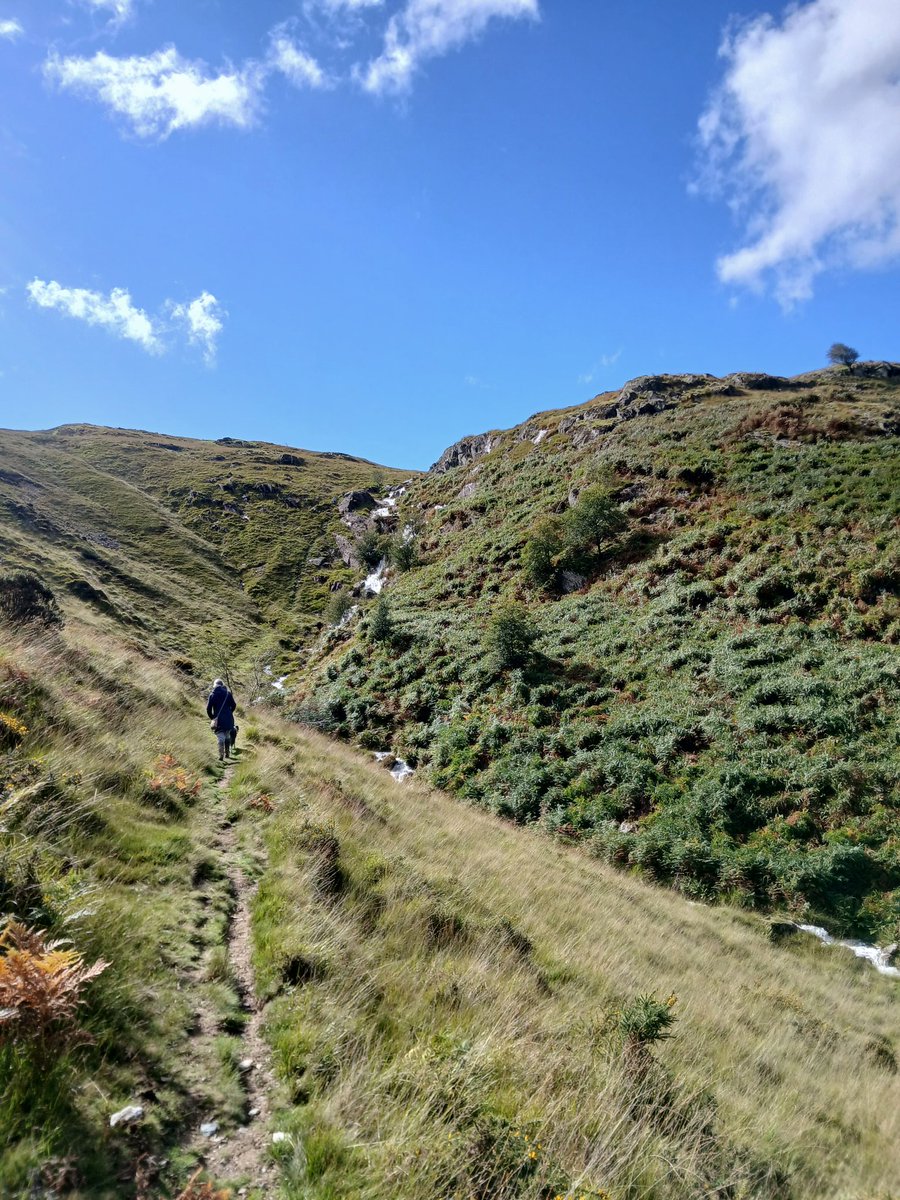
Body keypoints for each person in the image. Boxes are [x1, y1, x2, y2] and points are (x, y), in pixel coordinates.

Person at [207, 678, 237, 761]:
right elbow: (234, 705)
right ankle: (227, 753)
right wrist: (230, 712)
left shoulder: (212, 694)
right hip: (228, 719)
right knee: (227, 735)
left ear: (215, 685)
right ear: (222, 685)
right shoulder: (228, 694)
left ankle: (221, 755)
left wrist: (213, 718)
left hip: (218, 720)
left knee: (220, 737)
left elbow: (208, 709)